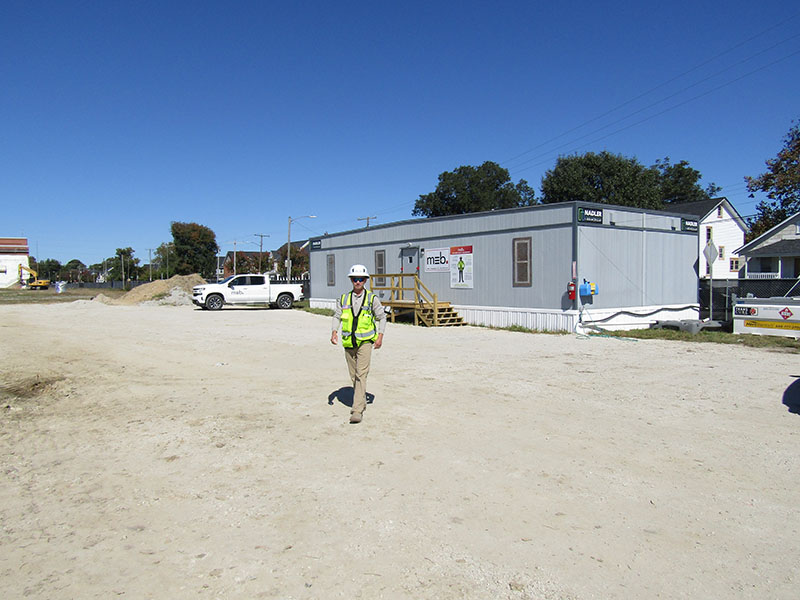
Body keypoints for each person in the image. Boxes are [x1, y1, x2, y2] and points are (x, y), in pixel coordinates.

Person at [330, 264, 386, 423]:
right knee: (354, 375)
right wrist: (334, 331)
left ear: (366, 280)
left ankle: (357, 410)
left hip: (366, 343)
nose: (358, 282)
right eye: (355, 279)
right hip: (349, 343)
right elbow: (337, 316)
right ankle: (361, 399)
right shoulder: (343, 298)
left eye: (361, 279)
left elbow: (382, 317)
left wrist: (380, 336)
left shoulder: (371, 299)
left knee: (361, 374)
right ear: (351, 280)